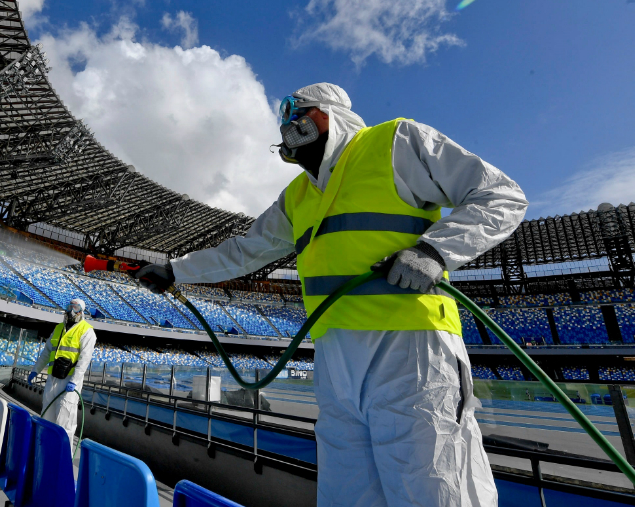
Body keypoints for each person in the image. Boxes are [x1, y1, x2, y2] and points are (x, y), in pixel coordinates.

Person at [134, 83, 527, 507]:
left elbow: (501, 196)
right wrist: (175, 270)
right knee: (346, 496)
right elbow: (244, 251)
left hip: (411, 350)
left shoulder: (396, 142)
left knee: (434, 489)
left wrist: (434, 251)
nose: (287, 127)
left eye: (296, 115)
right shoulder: (297, 195)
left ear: (327, 114)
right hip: (335, 360)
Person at [29, 298, 96, 455]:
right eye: (69, 306)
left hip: (69, 382)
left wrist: (74, 381)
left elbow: (84, 360)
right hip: (53, 379)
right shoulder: (58, 328)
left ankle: (63, 455)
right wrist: (35, 370)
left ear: (82, 311)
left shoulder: (87, 331)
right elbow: (47, 352)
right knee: (47, 414)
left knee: (65, 419)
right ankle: (44, 451)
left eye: (75, 307)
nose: (71, 310)